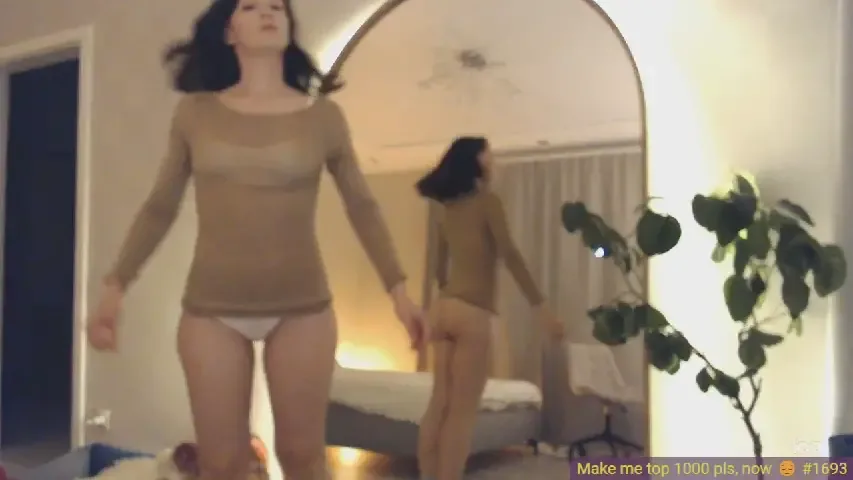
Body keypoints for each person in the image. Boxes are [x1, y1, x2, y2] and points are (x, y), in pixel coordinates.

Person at [85, 1, 426, 478]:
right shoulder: (195, 113)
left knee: (302, 456)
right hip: (212, 310)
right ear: (230, 31)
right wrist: (115, 287)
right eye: (251, 6)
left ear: (288, 26)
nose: (268, 13)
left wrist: (399, 292)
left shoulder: (323, 117)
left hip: (302, 307)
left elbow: (362, 206)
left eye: (277, 7)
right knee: (222, 464)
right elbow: (160, 206)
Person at [414, 137, 564, 480]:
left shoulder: (445, 209)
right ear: (476, 162)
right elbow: (510, 255)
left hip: (444, 309)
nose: (493, 160)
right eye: (489, 155)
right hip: (472, 313)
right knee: (462, 413)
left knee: (439, 403)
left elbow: (439, 271)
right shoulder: (488, 203)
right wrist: (541, 308)